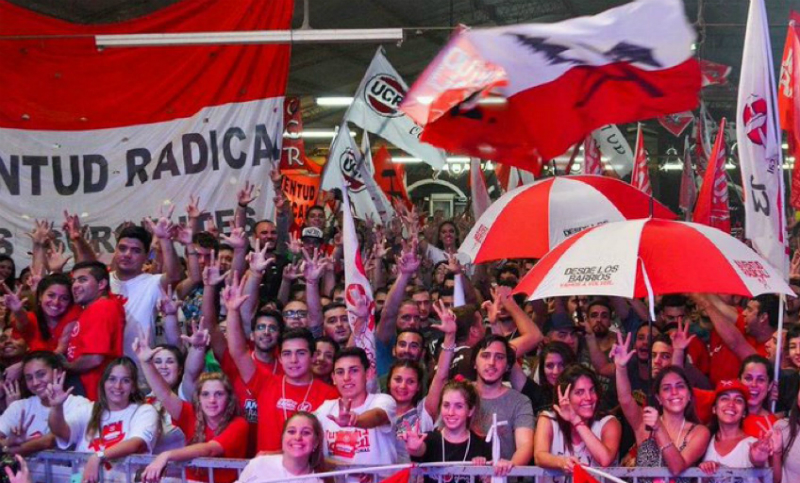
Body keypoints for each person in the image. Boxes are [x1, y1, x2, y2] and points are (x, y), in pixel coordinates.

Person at [224, 272, 337, 454]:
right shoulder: (265, 383)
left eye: (301, 353)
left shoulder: (330, 395)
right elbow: (238, 352)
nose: (293, 360)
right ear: (281, 358)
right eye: (287, 354)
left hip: (307, 470)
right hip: (267, 470)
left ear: (313, 357)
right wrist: (232, 311)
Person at [612, 333, 710, 481]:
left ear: (689, 394)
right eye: (666, 388)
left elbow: (677, 468)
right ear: (658, 397)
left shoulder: (699, 432)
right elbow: (625, 400)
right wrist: (620, 368)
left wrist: (659, 427)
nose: (674, 392)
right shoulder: (644, 425)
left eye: (680, 386)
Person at [47, 357, 159, 483]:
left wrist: (98, 457)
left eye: (125, 380)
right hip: (79, 479)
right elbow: (60, 432)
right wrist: (56, 406)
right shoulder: (87, 409)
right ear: (103, 383)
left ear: (133, 387)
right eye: (112, 379)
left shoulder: (144, 411)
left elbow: (136, 443)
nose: (117, 386)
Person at [138, 366, 248, 483]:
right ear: (198, 398)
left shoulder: (239, 424)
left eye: (219, 394)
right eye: (205, 394)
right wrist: (145, 362)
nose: (212, 400)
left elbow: (210, 449)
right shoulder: (191, 414)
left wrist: (166, 455)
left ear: (229, 398)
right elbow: (165, 394)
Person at [315, 347, 397, 482]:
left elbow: (377, 416)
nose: (346, 378)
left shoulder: (383, 400)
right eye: (340, 372)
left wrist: (355, 420)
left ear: (368, 373)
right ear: (333, 378)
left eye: (354, 370)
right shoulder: (325, 409)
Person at [534, 365, 621, 480]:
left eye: (592, 390)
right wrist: (562, 462)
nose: (588, 397)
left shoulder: (609, 423)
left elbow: (605, 459)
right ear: (565, 397)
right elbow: (539, 456)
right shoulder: (548, 419)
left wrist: (576, 420)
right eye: (579, 392)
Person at [0, 351, 91, 455]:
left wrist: (9, 450)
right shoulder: (19, 406)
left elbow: (50, 441)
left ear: (59, 372)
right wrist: (9, 442)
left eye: (41, 374)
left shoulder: (80, 405)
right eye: (29, 378)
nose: (35, 383)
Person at [402, 380, 493, 482]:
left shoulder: (481, 445)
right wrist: (414, 448)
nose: (451, 412)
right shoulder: (430, 439)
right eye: (446, 405)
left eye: (458, 406)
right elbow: (420, 450)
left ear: (470, 411)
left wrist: (485, 473)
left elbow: (491, 479)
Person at [471, 335, 535, 474]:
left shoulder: (520, 401)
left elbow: (525, 445)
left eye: (499, 357)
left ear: (507, 366)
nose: (491, 362)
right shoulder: (460, 394)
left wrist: (509, 466)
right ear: (474, 363)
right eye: (485, 356)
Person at [64, 261, 126, 401]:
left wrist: (66, 368)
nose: (75, 285)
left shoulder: (101, 307)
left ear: (101, 284)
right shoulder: (96, 307)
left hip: (91, 392)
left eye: (82, 280)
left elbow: (94, 358)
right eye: (73, 281)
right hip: (90, 391)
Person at [700, 379, 781, 483]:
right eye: (724, 399)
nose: (731, 404)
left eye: (738, 400)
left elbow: (772, 481)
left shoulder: (753, 445)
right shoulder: (703, 441)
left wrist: (759, 464)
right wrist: (704, 473)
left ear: (744, 413)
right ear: (714, 409)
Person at [237, 412, 324, 483]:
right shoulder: (259, 464)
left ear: (316, 442)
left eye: (306, 433)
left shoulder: (317, 481)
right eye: (291, 431)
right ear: (283, 438)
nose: (297, 437)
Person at [6, 273, 80, 353]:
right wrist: (17, 310)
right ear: (40, 296)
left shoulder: (75, 315)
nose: (56, 302)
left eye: (64, 298)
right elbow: (22, 320)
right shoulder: (32, 319)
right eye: (51, 295)